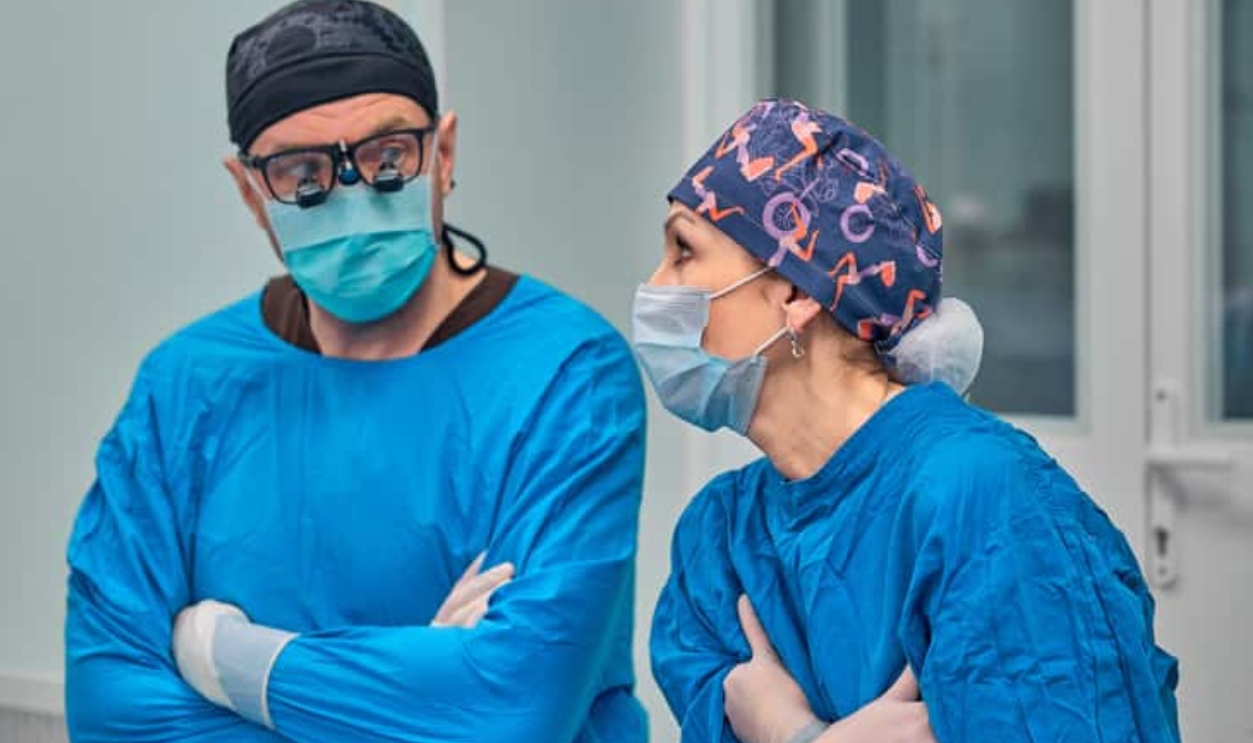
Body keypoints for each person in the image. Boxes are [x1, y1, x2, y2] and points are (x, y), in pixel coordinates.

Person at [64, 2, 648, 741]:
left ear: (443, 154)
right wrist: (418, 689)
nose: (352, 195)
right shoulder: (185, 385)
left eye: (388, 156)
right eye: (301, 172)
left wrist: (223, 658)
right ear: (249, 191)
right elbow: (111, 710)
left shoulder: (564, 373)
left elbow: (512, 708)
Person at [639, 98, 1180, 743]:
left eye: (683, 250)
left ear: (797, 291)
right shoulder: (723, 536)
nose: (656, 285)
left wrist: (792, 732)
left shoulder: (985, 501)